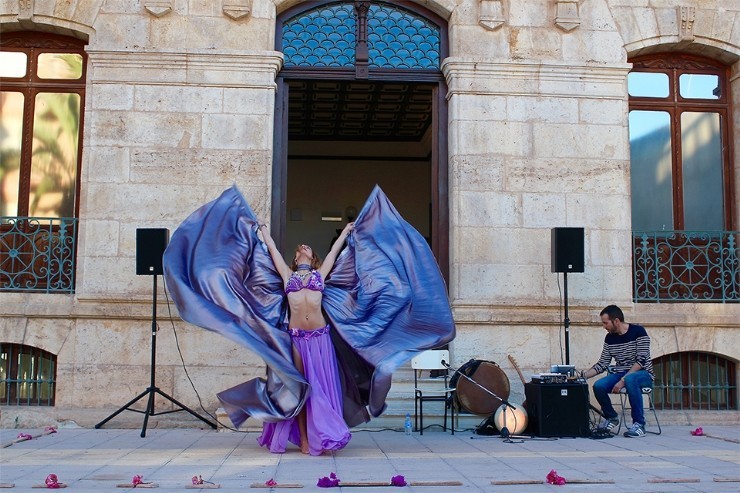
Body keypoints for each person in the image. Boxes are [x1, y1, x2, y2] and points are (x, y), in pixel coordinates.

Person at [256, 223, 354, 455]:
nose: (304, 247)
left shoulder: (319, 275)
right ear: (297, 255)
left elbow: (334, 253)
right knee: (300, 391)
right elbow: (273, 251)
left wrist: (345, 232)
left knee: (321, 388)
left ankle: (325, 433)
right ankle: (304, 440)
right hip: (297, 340)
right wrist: (264, 231)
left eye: (308, 247)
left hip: (319, 339)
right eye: (301, 247)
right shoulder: (287, 275)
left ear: (313, 257)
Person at [581, 305, 654, 438]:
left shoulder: (639, 332)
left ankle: (639, 424)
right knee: (599, 386)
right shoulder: (609, 338)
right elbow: (602, 363)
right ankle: (611, 417)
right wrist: (582, 376)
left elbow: (641, 361)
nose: (604, 326)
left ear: (616, 321)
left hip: (643, 373)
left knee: (631, 379)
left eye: (605, 323)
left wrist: (622, 380)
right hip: (621, 373)